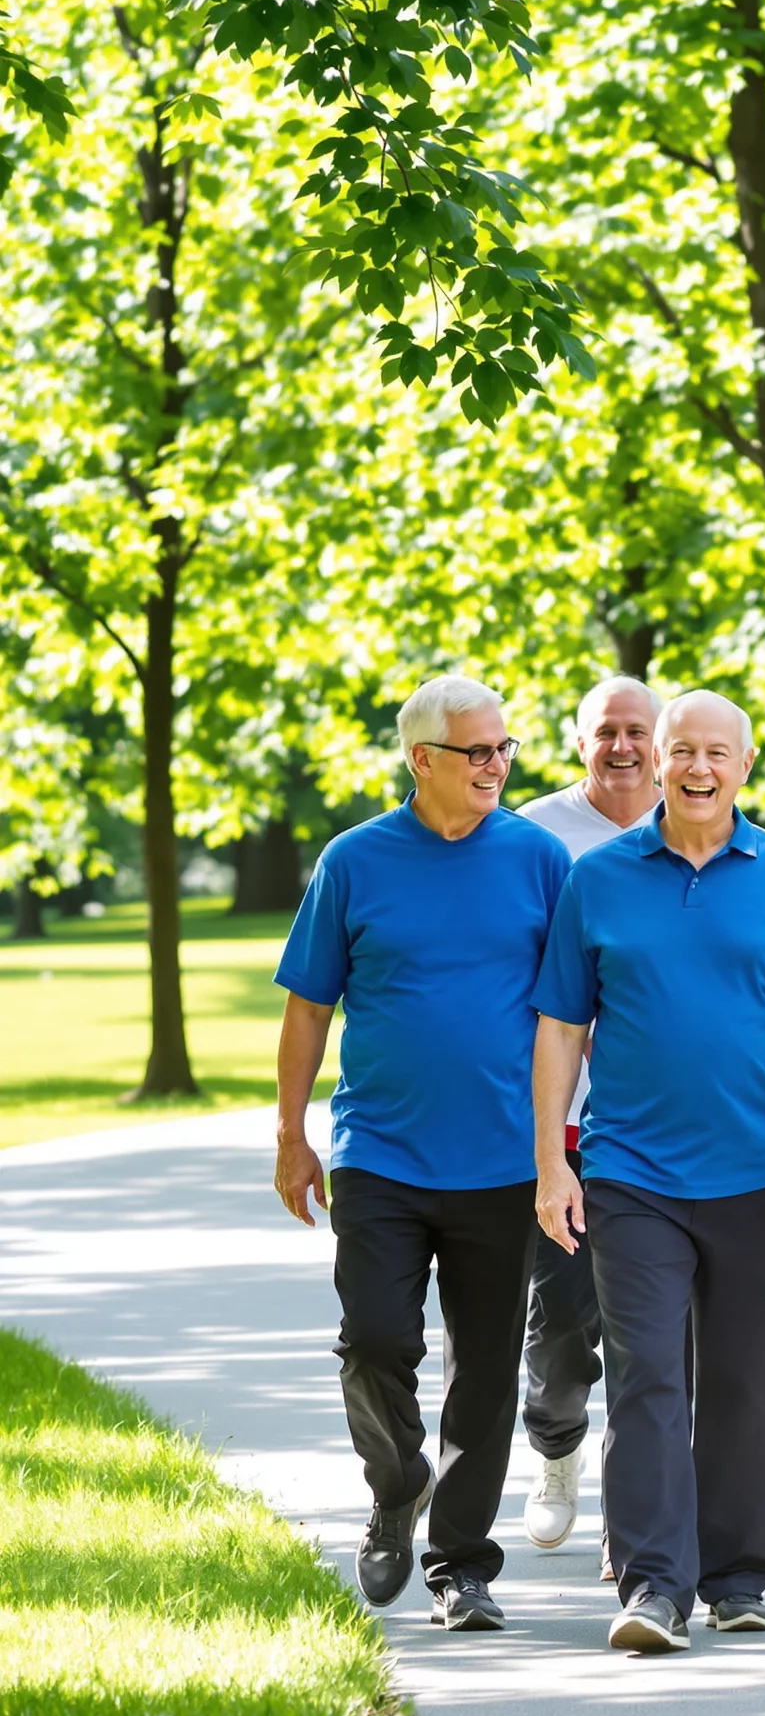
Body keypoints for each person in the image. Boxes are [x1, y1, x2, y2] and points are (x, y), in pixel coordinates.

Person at [530, 690, 765, 1655]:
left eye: (716, 753)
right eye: (681, 751)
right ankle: (651, 1585)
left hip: (755, 1168)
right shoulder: (599, 878)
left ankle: (736, 1578)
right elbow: (561, 1025)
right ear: (660, 763)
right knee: (645, 1379)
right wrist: (553, 1159)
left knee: (745, 1380)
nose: (695, 768)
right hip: (630, 1169)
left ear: (745, 767)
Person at [273, 675, 569, 1631]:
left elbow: (574, 1012)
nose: (495, 767)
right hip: (380, 1153)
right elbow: (309, 1004)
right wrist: (291, 1136)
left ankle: (460, 1566)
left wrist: (562, 1143)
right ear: (423, 759)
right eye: (477, 752)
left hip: (504, 1160)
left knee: (484, 1370)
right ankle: (397, 1483)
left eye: (504, 749)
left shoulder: (538, 858)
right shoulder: (354, 861)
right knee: (374, 1340)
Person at [515, 675, 662, 1562]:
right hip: (563, 1124)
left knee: (654, 1332)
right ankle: (557, 1450)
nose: (622, 747)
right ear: (579, 744)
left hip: (659, 1127)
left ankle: (637, 1515)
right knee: (560, 1324)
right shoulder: (533, 836)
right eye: (605, 731)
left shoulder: (693, 824)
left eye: (637, 731)